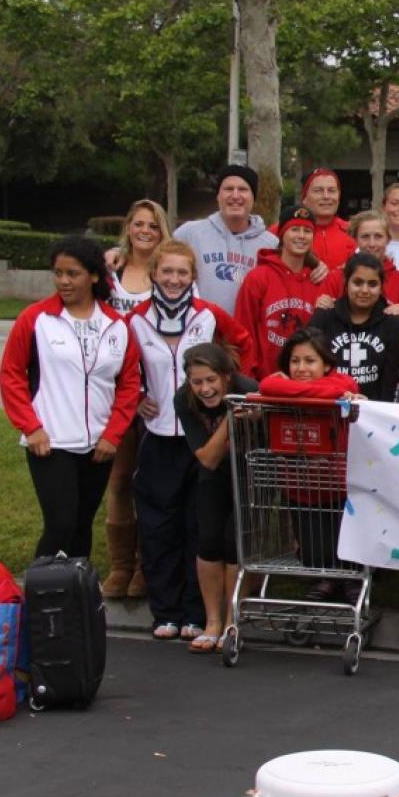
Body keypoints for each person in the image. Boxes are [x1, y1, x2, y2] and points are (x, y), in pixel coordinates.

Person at [129, 240, 254, 641]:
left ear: (193, 276)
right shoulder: (134, 320)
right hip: (159, 435)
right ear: (154, 273)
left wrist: (231, 391)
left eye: (182, 272)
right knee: (158, 526)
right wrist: (135, 397)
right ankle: (164, 611)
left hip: (200, 435)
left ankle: (195, 614)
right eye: (167, 271)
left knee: (199, 528)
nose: (174, 279)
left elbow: (244, 344)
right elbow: (120, 368)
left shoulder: (208, 314)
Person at [0, 236, 141, 560]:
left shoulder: (116, 325)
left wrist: (113, 434)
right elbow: (11, 375)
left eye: (72, 274)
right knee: (60, 525)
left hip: (99, 447)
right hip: (51, 443)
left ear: (93, 276)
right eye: (58, 273)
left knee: (81, 527)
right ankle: (40, 602)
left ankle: (77, 602)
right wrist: (30, 427)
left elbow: (129, 384)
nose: (63, 281)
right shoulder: (35, 319)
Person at [257, 328, 364, 603]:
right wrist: (314, 393)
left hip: (337, 482)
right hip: (299, 484)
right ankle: (326, 579)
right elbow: (268, 386)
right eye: (295, 361)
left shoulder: (342, 381)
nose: (301, 368)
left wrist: (295, 391)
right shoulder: (282, 382)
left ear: (326, 363)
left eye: (310, 361)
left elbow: (344, 388)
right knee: (314, 545)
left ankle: (350, 582)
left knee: (345, 537)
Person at [100, 199, 171, 600]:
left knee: (152, 483)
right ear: (128, 227)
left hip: (156, 393)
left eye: (153, 226)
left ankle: (146, 565)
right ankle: (120, 566)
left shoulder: (169, 272)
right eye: (138, 224)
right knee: (120, 479)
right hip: (116, 391)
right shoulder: (111, 272)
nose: (145, 231)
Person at [175, 344, 258, 653]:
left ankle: (231, 621)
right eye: (197, 382)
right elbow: (207, 458)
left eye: (211, 380)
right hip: (213, 470)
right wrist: (231, 417)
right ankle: (211, 621)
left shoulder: (249, 389)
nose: (205, 389)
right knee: (208, 541)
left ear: (226, 376)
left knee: (234, 543)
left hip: (249, 470)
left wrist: (247, 410)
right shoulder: (184, 401)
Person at [172, 164, 277, 315]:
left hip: (245, 334)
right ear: (218, 195)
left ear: (253, 197)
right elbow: (156, 257)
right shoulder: (190, 233)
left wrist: (316, 264)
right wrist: (125, 255)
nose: (235, 196)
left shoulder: (270, 244)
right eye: (228, 189)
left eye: (243, 189)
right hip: (199, 332)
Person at [234, 204, 323, 378]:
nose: (301, 236)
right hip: (265, 382)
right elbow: (244, 332)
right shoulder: (258, 278)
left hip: (310, 383)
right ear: (282, 234)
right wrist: (248, 379)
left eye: (307, 231)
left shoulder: (318, 279)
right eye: (295, 229)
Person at [308, 253, 399, 402]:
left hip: (376, 414)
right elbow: (310, 366)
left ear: (381, 287)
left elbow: (394, 379)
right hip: (329, 408)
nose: (365, 290)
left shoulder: (393, 324)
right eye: (358, 282)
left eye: (372, 284)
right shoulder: (324, 318)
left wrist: (380, 413)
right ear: (346, 282)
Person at [315, 210, 399, 313]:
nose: (372, 244)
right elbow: (320, 325)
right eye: (365, 237)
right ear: (355, 239)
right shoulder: (336, 278)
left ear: (388, 239)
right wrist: (321, 307)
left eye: (378, 236)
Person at [273, 169, 354, 269]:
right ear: (305, 198)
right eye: (318, 191)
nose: (326, 196)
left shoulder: (353, 230)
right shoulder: (280, 230)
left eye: (331, 191)